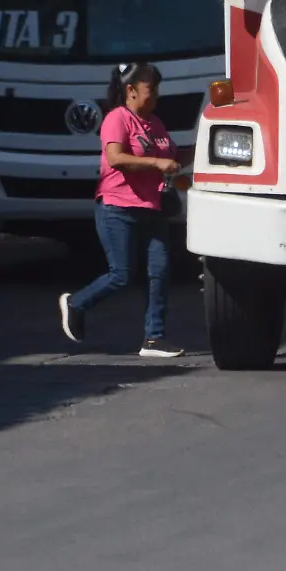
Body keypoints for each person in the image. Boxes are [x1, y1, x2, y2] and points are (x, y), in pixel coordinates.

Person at [58, 62, 184, 358]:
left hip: (152, 209)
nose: (156, 96)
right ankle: (76, 303)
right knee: (121, 275)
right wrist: (156, 163)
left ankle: (154, 339)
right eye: (150, 90)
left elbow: (174, 157)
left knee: (161, 271)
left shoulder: (155, 123)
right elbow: (115, 158)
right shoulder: (117, 118)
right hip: (118, 208)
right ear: (131, 90)